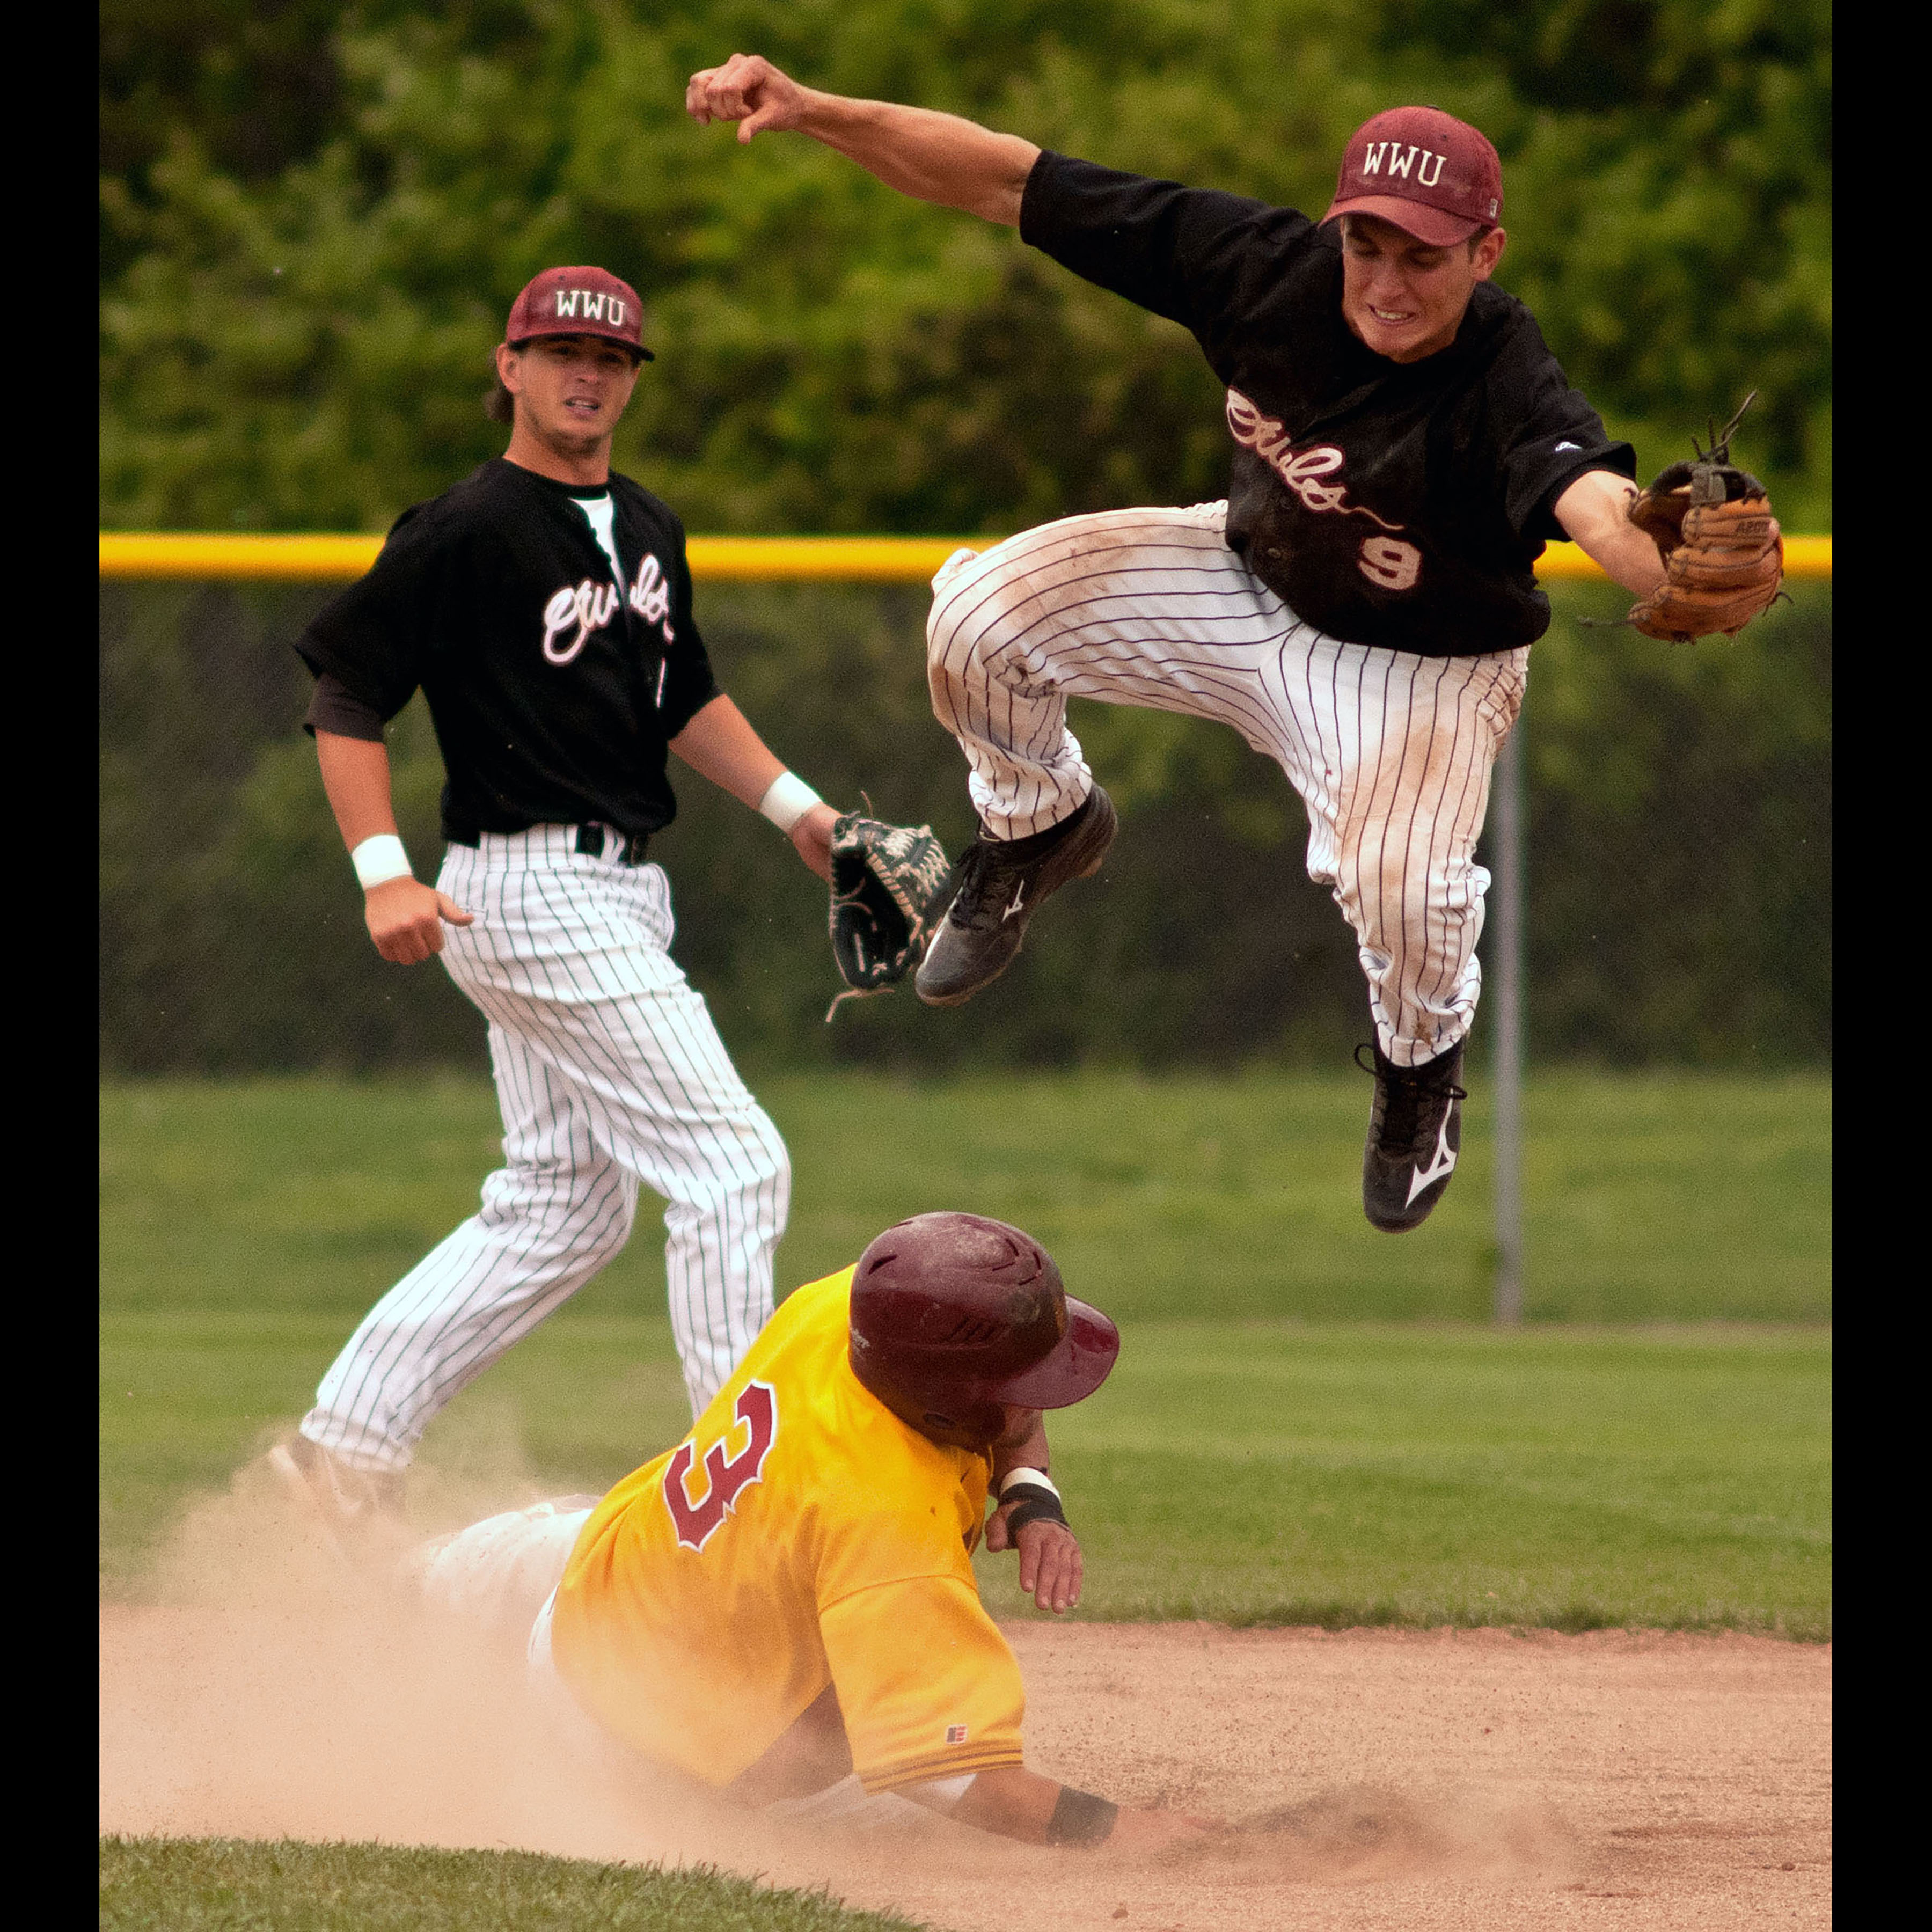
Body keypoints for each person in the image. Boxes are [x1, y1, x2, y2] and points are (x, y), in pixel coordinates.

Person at [684, 59, 1758, 1233]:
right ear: (1336, 227)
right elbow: (1003, 180)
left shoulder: (1505, 374)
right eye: (1370, 244)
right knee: (978, 617)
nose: (1388, 280)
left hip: (1417, 669)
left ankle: (1420, 1069)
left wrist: (1666, 568)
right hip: (1243, 574)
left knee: (1401, 888)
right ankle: (1040, 820)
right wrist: (817, 111)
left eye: (1425, 255)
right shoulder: (1263, 270)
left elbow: (1594, 501)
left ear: (1484, 254)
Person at [275, 265, 844, 1542]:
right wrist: (381, 874)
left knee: (566, 1205)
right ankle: (742, 1513)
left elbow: (681, 695)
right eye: (561, 350)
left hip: (620, 891)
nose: (589, 373)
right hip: (525, 886)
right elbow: (346, 690)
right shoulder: (469, 526)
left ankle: (343, 1452)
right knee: (733, 1167)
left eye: (615, 358)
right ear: (510, 366)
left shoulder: (645, 526)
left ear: (634, 378)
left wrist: (798, 810)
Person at [413, 1211, 1212, 1850]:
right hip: (618, 1734)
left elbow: (1002, 1415)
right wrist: (1124, 1832)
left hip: (610, 1560)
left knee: (422, 1580)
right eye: (1020, 1385)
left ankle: (404, 1574)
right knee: (886, 1778)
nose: (1038, 1404)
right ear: (944, 1406)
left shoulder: (853, 1310)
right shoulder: (885, 1516)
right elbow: (956, 1779)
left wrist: (1032, 1494)